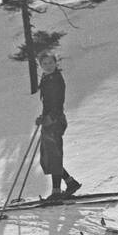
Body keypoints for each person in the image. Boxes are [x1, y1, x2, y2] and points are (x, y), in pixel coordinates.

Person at [35, 52, 82, 201]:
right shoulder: (46, 78)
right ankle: (70, 182)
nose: (48, 66)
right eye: (44, 64)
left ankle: (57, 190)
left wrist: (49, 118)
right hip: (50, 120)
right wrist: (43, 117)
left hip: (55, 121)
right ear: (40, 66)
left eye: (50, 63)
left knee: (53, 155)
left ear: (55, 63)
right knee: (48, 156)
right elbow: (47, 103)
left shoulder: (55, 80)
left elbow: (58, 103)